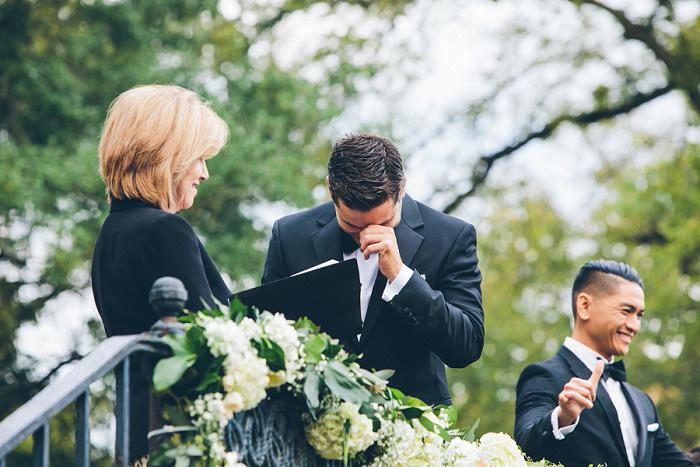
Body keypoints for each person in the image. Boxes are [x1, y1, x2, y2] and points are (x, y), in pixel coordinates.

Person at [262, 133, 484, 406]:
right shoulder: (289, 235)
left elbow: (467, 346)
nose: (367, 235)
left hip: (413, 426)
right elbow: (268, 332)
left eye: (385, 221)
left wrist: (402, 277)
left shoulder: (450, 237)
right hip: (309, 418)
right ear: (331, 189)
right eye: (353, 226)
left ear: (401, 187)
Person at [91, 84, 230, 463]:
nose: (204, 173)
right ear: (169, 156)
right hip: (178, 437)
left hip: (135, 436)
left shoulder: (111, 232)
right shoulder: (163, 230)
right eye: (199, 158)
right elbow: (212, 338)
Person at [514, 260, 693, 467]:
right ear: (585, 306)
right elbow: (523, 449)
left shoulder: (642, 402)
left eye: (639, 315)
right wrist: (562, 417)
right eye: (626, 311)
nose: (634, 326)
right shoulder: (543, 375)